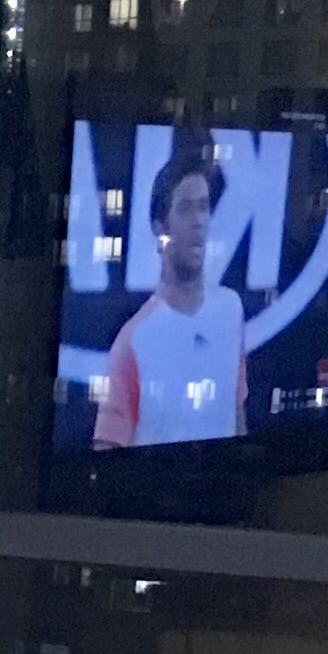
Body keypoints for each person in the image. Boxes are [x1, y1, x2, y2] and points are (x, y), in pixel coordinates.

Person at [93, 139, 251, 449]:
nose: (198, 221)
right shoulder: (132, 343)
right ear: (160, 227)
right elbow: (106, 454)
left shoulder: (231, 309)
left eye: (204, 206)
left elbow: (236, 414)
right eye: (185, 208)